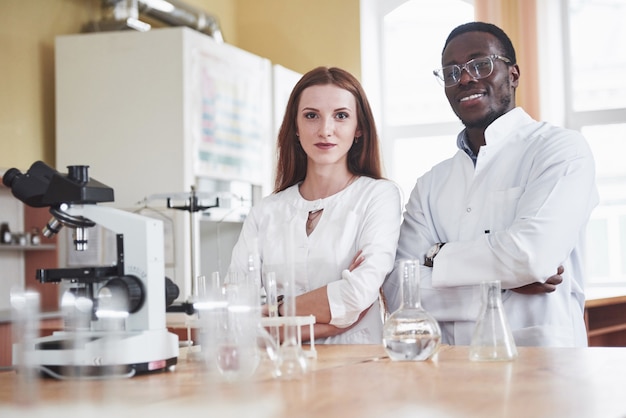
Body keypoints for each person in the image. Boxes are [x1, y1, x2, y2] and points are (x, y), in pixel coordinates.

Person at [383, 22, 598, 347]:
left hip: (543, 367)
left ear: (513, 74)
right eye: (451, 72)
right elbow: (400, 289)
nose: (465, 78)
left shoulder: (560, 149)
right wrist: (503, 286)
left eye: (481, 64)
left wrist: (435, 255)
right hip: (452, 373)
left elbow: (531, 257)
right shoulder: (429, 184)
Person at [228, 66, 402, 344]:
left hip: (358, 373)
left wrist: (278, 311)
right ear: (295, 127)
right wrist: (334, 322)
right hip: (278, 372)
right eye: (311, 116)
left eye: (341, 116)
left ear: (359, 128)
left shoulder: (378, 196)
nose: (325, 130)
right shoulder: (265, 212)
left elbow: (358, 293)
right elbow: (238, 308)